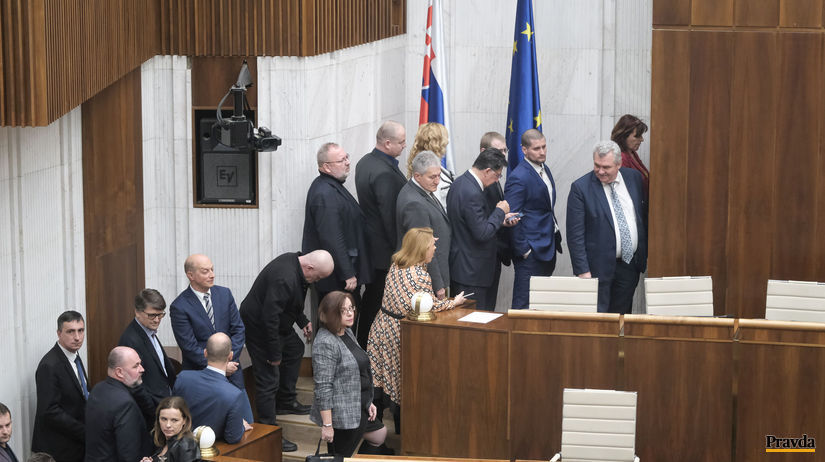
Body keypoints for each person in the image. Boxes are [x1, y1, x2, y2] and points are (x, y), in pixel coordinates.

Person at [239, 250, 334, 452]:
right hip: (261, 327)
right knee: (268, 379)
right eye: (317, 277)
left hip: (277, 323)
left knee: (295, 348)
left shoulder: (297, 264)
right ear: (309, 268)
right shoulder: (284, 277)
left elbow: (291, 302)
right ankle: (269, 432)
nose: (315, 281)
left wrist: (303, 321)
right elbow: (269, 319)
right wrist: (273, 355)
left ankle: (286, 400)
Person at [367, 228, 465, 415]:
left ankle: (377, 435)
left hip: (381, 328)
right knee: (403, 383)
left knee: (378, 384)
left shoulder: (397, 264)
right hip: (398, 333)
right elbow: (427, 306)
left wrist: (426, 236)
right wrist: (454, 302)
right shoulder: (419, 275)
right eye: (432, 245)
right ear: (421, 250)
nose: (435, 248)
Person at [567, 140, 648, 313]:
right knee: (599, 322)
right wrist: (582, 271)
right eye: (597, 165)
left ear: (619, 164)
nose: (600, 171)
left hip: (629, 266)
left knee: (622, 318)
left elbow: (640, 216)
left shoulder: (634, 178)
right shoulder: (580, 188)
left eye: (606, 167)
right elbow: (575, 235)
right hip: (597, 270)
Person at [311, 292, 391, 457]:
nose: (350, 313)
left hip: (358, 405)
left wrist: (368, 402)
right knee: (341, 455)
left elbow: (357, 372)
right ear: (331, 313)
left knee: (379, 434)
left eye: (351, 308)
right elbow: (323, 387)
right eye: (343, 310)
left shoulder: (345, 331)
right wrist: (327, 425)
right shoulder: (326, 342)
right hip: (342, 412)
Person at [354, 121, 408, 349]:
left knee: (371, 301)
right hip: (384, 252)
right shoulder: (384, 173)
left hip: (371, 248)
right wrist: (401, 251)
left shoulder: (365, 162)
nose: (405, 146)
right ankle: (368, 350)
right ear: (387, 143)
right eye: (401, 142)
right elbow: (389, 217)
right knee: (376, 304)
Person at [302, 142, 371, 318]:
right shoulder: (324, 193)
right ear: (326, 167)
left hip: (340, 276)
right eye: (341, 160)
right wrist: (347, 273)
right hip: (336, 281)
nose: (347, 162)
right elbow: (332, 238)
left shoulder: (332, 185)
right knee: (337, 326)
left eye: (346, 157)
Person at [447, 148, 519, 310]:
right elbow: (482, 233)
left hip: (463, 267)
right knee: (475, 325)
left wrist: (500, 220)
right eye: (497, 175)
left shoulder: (460, 182)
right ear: (487, 171)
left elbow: (472, 224)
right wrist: (500, 211)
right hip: (472, 273)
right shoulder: (472, 193)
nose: (496, 180)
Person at [504, 129, 562, 309]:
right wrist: (524, 250)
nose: (542, 151)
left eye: (544, 147)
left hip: (548, 245)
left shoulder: (545, 169)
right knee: (524, 304)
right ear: (524, 150)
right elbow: (513, 215)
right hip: (531, 252)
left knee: (540, 303)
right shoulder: (519, 177)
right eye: (537, 148)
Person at [169, 254, 246, 390]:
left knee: (240, 410)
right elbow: (189, 347)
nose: (212, 275)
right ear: (190, 275)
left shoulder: (224, 294)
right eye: (205, 271)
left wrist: (228, 361)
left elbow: (238, 330)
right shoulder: (179, 306)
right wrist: (219, 367)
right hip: (201, 374)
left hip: (232, 371)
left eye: (212, 269)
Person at [173, 332, 253, 445]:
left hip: (178, 446)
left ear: (205, 353)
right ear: (230, 356)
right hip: (213, 450)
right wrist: (241, 426)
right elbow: (233, 437)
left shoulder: (182, 377)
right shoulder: (234, 394)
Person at [31, 311, 87, 462]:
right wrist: (84, 431)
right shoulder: (49, 366)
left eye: (81, 330)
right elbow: (50, 411)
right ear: (59, 333)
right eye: (70, 331)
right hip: (58, 449)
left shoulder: (75, 356)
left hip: (75, 444)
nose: (77, 337)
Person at [396, 151, 451, 299]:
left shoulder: (422, 190)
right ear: (417, 176)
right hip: (426, 281)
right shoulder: (414, 203)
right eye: (432, 177)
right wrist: (438, 285)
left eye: (439, 175)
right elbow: (423, 247)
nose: (437, 181)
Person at [85, 347, 154, 462]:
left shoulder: (98, 388)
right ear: (119, 372)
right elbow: (129, 455)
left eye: (140, 364)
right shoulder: (125, 403)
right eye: (135, 366)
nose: (142, 369)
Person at [119, 289, 177, 407]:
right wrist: (152, 410)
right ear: (137, 312)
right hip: (152, 410)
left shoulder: (149, 332)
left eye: (160, 315)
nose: (157, 320)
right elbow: (135, 384)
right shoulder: (130, 340)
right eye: (152, 315)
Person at [480, 132, 514, 306]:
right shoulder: (482, 182)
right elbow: (481, 221)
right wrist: (500, 215)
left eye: (504, 150)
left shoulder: (494, 177)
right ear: (483, 151)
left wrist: (503, 218)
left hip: (494, 255)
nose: (502, 155)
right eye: (498, 151)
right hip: (484, 257)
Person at [406, 122, 453, 208]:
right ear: (438, 143)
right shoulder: (429, 172)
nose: (448, 141)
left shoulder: (428, 166)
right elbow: (435, 204)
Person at [140, 397, 199, 462]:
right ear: (158, 419)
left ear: (184, 420)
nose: (168, 425)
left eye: (174, 420)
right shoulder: (162, 440)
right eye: (164, 419)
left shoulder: (186, 445)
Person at [610, 114, 649, 200]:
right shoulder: (621, 158)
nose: (642, 139)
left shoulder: (632, 153)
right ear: (623, 136)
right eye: (637, 136)